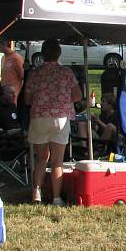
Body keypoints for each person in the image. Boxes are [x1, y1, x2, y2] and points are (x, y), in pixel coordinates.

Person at [24, 39, 82, 206]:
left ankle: (36, 192)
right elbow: (78, 96)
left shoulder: (35, 73)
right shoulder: (66, 72)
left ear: (42, 54)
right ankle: (56, 198)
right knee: (57, 160)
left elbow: (27, 99)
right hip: (60, 118)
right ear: (59, 53)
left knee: (41, 158)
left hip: (39, 117)